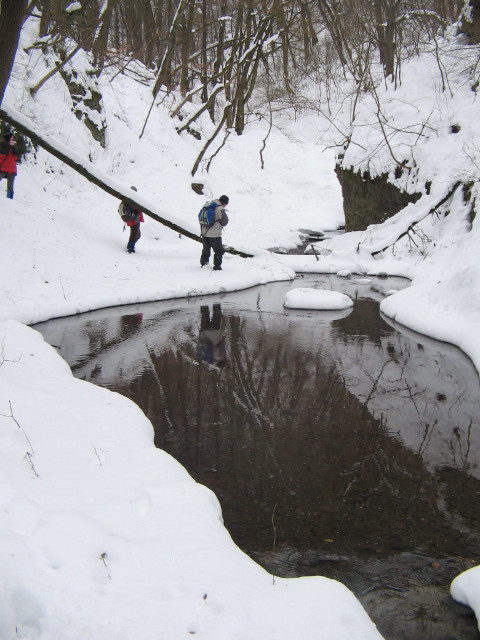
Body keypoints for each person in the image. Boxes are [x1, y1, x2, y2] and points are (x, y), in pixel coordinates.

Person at [200, 194, 229, 271]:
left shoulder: (208, 205)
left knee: (206, 250)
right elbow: (225, 222)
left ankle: (204, 264)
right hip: (215, 235)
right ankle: (217, 267)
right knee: (219, 251)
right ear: (224, 203)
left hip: (204, 232)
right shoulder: (220, 209)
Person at [197, 304, 226, 368]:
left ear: (222, 360)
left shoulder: (219, 355)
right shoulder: (205, 359)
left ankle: (216, 301)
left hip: (214, 331)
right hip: (203, 333)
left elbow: (221, 344)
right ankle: (203, 301)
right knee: (204, 314)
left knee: (217, 314)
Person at [123, 185, 144, 254]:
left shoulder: (129, 198)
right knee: (135, 234)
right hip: (133, 219)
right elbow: (132, 208)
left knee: (137, 234)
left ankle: (130, 245)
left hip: (134, 218)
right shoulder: (129, 199)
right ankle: (130, 248)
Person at [0, 132, 18, 199]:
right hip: (2, 168)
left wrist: (12, 147)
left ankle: (10, 200)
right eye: (11, 139)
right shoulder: (2, 145)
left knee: (10, 187)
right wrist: (9, 146)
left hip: (12, 169)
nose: (12, 140)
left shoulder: (13, 147)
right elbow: (3, 153)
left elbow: (16, 156)